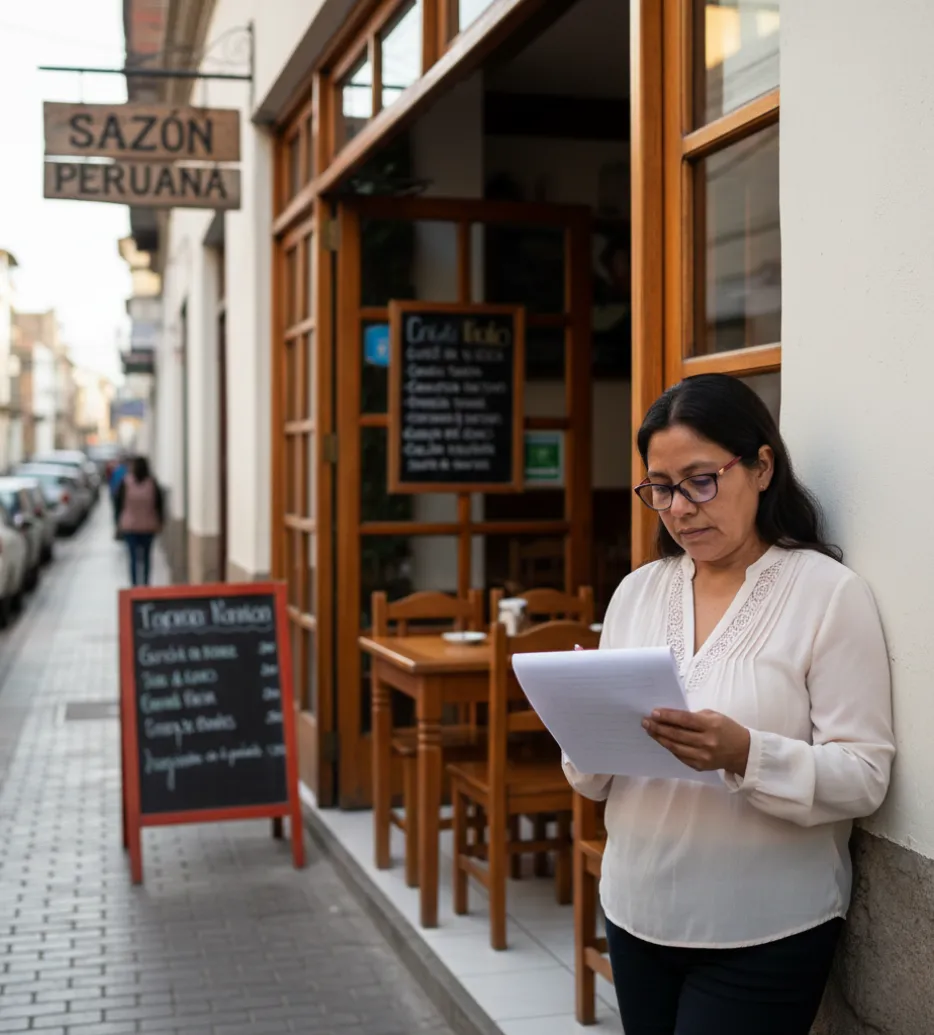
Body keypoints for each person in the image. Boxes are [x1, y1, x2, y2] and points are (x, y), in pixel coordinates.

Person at [564, 374, 894, 1035]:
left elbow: (864, 774)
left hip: (765, 926)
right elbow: (593, 778)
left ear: (762, 465)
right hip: (635, 910)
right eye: (660, 488)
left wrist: (747, 753)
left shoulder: (827, 595)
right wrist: (582, 724)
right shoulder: (636, 593)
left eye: (700, 480)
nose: (680, 507)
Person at [115, 456, 163, 586]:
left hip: (130, 527)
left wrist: (118, 523)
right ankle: (146, 584)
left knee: (133, 558)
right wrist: (160, 522)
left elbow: (119, 505)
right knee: (146, 557)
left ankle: (135, 585)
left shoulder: (125, 483)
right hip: (148, 526)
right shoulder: (152, 483)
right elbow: (159, 505)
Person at [109, 454, 128, 538]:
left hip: (117, 495)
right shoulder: (127, 471)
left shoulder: (116, 471)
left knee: (117, 513)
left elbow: (112, 483)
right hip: (123, 496)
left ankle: (119, 529)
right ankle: (122, 529)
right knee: (122, 513)